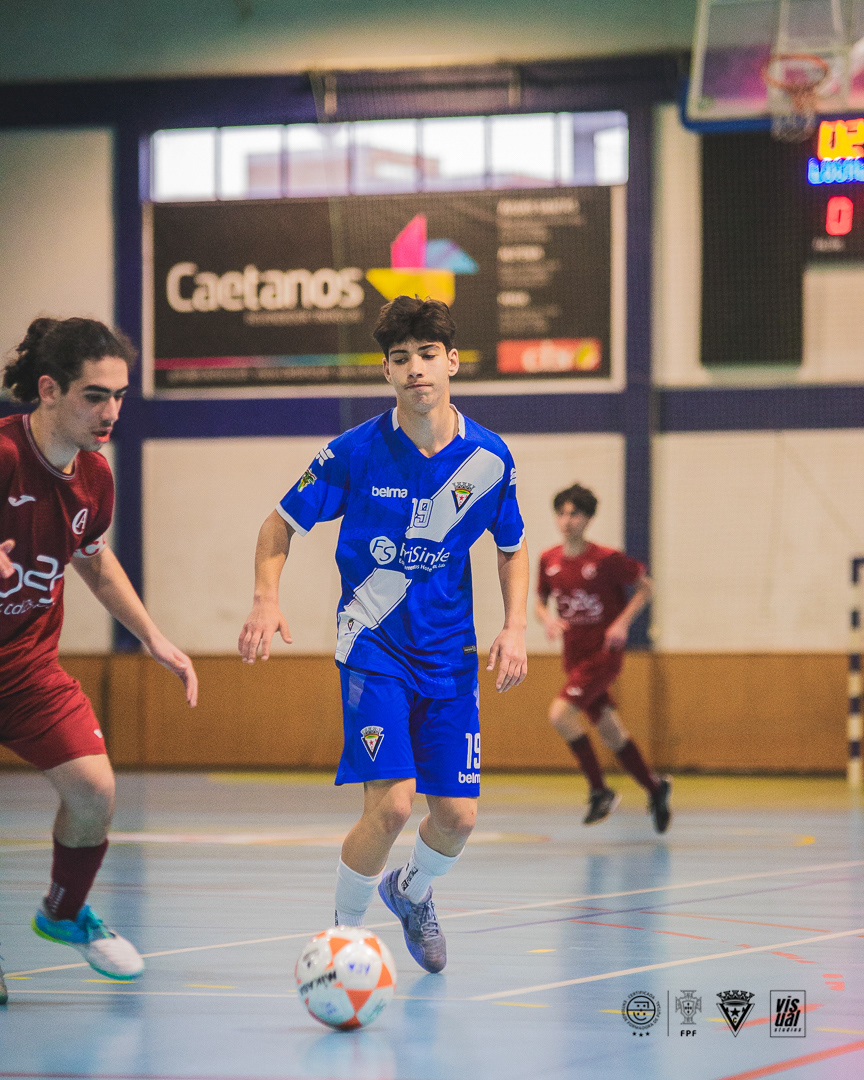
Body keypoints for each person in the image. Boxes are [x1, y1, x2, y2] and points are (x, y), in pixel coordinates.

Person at [239, 296, 528, 973]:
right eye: (401, 359)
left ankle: (412, 891)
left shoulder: (489, 458)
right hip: (373, 646)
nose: (415, 369)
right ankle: (341, 941)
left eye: (427, 355)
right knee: (394, 804)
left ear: (452, 362)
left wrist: (515, 627)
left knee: (457, 818)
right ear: (387, 371)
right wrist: (265, 598)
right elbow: (278, 524)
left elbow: (511, 547)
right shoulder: (355, 452)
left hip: (450, 656)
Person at [0, 317, 198, 993]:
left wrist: (153, 636)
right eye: (94, 396)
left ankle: (63, 913)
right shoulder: (3, 456)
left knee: (94, 791)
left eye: (118, 395)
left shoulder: (94, 477)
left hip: (25, 667)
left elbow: (92, 558)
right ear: (49, 390)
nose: (111, 411)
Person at [536, 482, 671, 831]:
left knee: (560, 715)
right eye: (561, 513)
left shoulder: (606, 559)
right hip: (573, 657)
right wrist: (548, 619)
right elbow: (539, 600)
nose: (567, 520)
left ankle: (600, 791)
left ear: (588, 518)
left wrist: (622, 623)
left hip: (602, 656)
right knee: (611, 731)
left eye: (574, 514)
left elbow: (646, 586)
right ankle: (655, 788)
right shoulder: (549, 560)